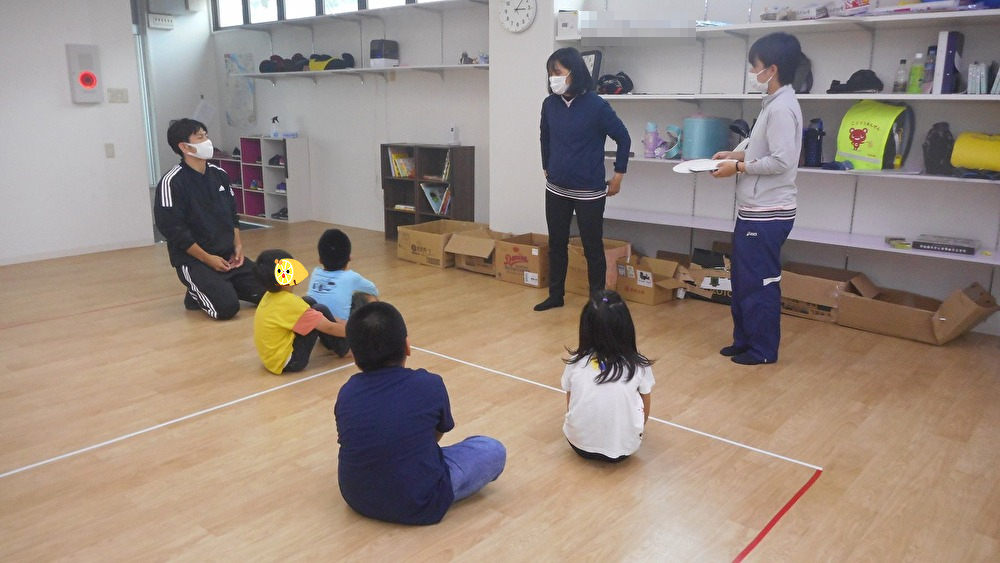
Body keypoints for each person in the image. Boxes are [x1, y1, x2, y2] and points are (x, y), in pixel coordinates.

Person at [335, 301, 506, 525]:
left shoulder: (347, 391)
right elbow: (436, 435)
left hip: (357, 497)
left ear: (356, 359)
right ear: (407, 346)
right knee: (492, 449)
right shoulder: (430, 384)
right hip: (421, 502)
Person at [709, 32, 803, 366]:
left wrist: (737, 167)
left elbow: (781, 161)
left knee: (760, 282)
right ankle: (744, 341)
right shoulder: (772, 104)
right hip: (753, 210)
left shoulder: (782, 109)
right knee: (742, 280)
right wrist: (735, 154)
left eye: (755, 66)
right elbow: (762, 149)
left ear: (772, 69)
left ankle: (762, 351)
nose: (752, 73)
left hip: (769, 213)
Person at [535, 47, 631, 312]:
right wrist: (546, 165)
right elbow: (545, 136)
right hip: (556, 188)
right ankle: (556, 295)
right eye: (550, 73)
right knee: (556, 243)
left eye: (557, 72)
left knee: (592, 248)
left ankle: (597, 302)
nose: (553, 78)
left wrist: (619, 174)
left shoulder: (596, 106)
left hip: (589, 191)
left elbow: (623, 138)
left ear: (574, 72)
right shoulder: (549, 104)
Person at [153, 118, 264, 320]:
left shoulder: (219, 175)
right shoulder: (172, 182)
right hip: (195, 261)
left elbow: (232, 213)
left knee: (268, 293)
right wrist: (207, 259)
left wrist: (237, 245)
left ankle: (219, 285)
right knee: (226, 308)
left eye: (206, 136)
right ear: (184, 147)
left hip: (227, 256)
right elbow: (173, 230)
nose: (207, 141)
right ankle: (198, 292)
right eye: (200, 137)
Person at [561, 290, 655, 463]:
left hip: (578, 445)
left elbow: (570, 400)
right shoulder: (638, 365)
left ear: (585, 328)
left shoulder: (575, 361)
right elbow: (645, 408)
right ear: (627, 328)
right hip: (623, 451)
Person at [252, 249, 350, 375]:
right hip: (291, 362)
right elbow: (330, 327)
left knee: (308, 302)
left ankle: (331, 341)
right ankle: (346, 350)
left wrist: (342, 323)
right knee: (319, 310)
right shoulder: (290, 303)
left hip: (271, 359)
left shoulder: (270, 295)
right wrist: (355, 332)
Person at [305, 228, 378, 320]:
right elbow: (373, 290)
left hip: (314, 325)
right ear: (349, 258)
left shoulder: (315, 273)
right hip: (341, 327)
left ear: (320, 260)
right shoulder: (351, 277)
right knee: (370, 298)